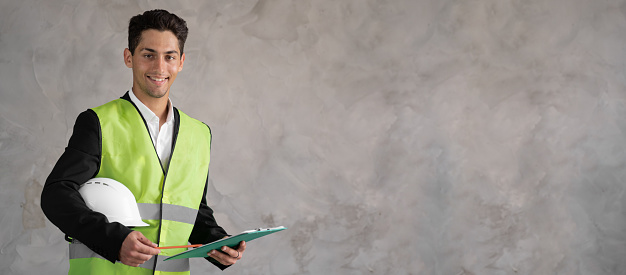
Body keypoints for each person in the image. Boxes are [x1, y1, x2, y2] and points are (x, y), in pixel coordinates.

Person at [40, 9, 245, 274]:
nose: (160, 68)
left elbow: (191, 210)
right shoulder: (99, 122)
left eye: (169, 57)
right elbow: (56, 195)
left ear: (181, 61)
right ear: (129, 58)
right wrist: (113, 241)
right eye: (148, 55)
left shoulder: (200, 133)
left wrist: (217, 243)